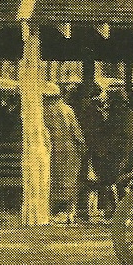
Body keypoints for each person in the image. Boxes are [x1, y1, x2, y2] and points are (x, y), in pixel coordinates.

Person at [71, 83, 111, 219]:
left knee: (86, 180)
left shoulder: (81, 111)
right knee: (99, 180)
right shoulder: (96, 113)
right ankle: (100, 209)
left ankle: (87, 210)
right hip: (95, 150)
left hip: (90, 150)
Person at [43, 84, 84, 221]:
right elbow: (76, 132)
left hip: (51, 151)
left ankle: (51, 212)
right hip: (69, 151)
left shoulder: (42, 111)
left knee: (52, 180)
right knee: (69, 181)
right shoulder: (67, 110)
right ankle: (69, 212)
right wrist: (81, 147)